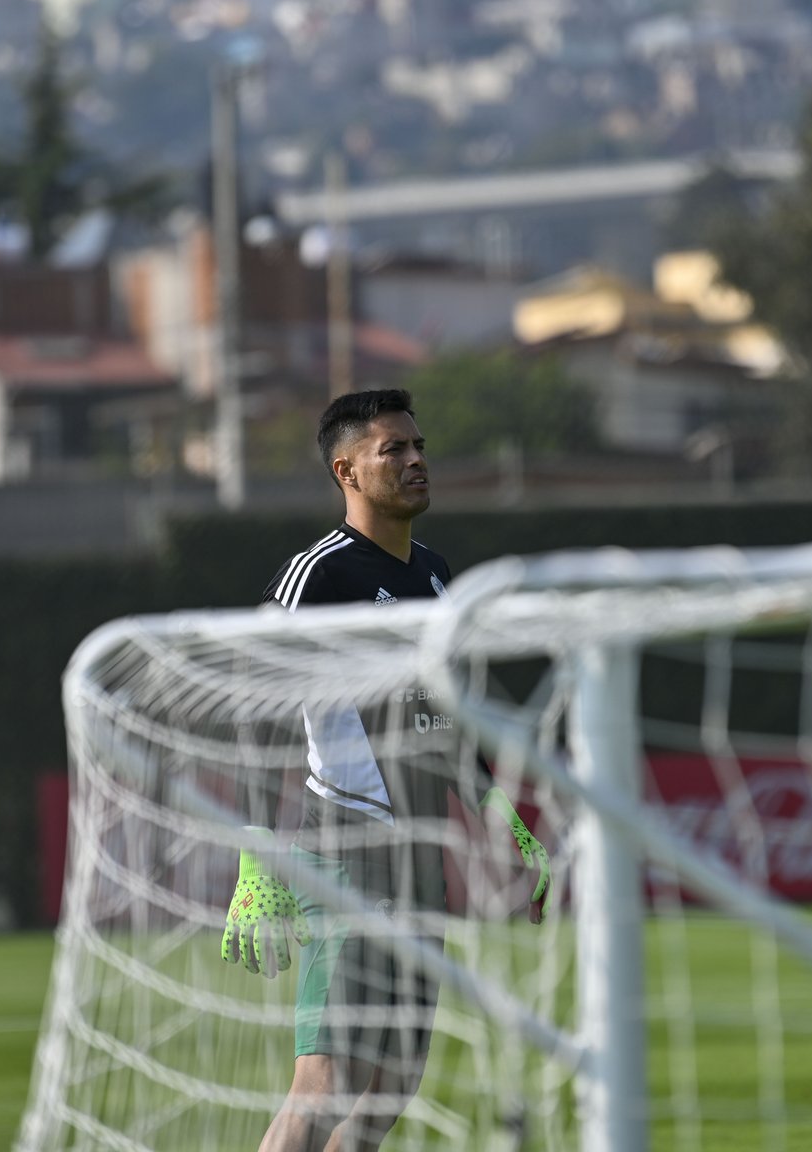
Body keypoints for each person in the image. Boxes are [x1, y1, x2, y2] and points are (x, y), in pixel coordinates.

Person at [220, 388, 552, 1152]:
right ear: (346, 470)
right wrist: (255, 859)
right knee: (326, 1084)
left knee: (389, 1090)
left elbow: (448, 721)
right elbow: (251, 711)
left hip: (420, 859)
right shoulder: (319, 575)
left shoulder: (436, 575)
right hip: (348, 851)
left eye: (418, 446)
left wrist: (510, 826)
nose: (415, 460)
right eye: (392, 450)